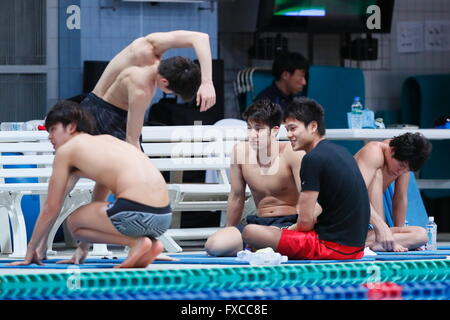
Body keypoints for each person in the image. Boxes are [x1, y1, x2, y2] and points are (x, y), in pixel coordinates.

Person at [8, 101, 173, 268]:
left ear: (71, 127)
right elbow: (98, 201)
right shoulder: (107, 140)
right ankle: (151, 244)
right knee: (91, 214)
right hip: (163, 218)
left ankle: (136, 243)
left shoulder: (67, 150)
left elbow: (51, 207)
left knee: (74, 221)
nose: (49, 137)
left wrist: (31, 249)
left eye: (53, 129)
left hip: (136, 213)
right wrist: (83, 248)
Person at [242, 97, 370, 260]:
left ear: (313, 127)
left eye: (293, 128)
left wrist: (282, 233)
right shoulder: (342, 151)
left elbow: (305, 222)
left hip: (330, 248)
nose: (289, 135)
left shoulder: (312, 159)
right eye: (287, 129)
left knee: (250, 232)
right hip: (356, 248)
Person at [205, 99, 317, 257]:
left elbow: (308, 198)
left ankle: (262, 246)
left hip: (289, 224)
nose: (252, 135)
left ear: (275, 131)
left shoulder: (293, 154)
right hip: (257, 223)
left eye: (259, 129)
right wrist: (230, 229)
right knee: (215, 245)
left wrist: (298, 229)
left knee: (260, 237)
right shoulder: (240, 152)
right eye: (249, 128)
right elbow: (237, 196)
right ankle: (261, 245)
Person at [80, 30, 216, 150]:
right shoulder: (143, 88)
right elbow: (132, 141)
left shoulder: (148, 45)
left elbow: (200, 38)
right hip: (106, 116)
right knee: (135, 172)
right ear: (165, 82)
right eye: (173, 92)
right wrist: (207, 82)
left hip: (90, 105)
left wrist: (207, 83)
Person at [354, 133, 431, 252]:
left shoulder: (404, 163)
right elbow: (357, 194)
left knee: (421, 235)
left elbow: (400, 198)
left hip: (368, 229)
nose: (402, 171)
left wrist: (397, 234)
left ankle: (379, 242)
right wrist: (382, 228)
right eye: (401, 165)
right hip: (348, 222)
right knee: (377, 175)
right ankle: (378, 240)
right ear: (392, 150)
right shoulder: (373, 152)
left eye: (407, 169)